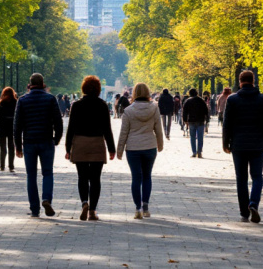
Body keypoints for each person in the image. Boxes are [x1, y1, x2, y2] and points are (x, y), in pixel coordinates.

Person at [222, 70, 263, 223]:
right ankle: (253, 203)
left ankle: (244, 212)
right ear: (253, 81)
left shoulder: (232, 99)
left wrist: (226, 143)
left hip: (238, 144)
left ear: (240, 82)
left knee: (241, 178)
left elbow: (227, 124)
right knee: (257, 176)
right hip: (258, 144)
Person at [65, 76, 116, 221]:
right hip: (97, 143)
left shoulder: (76, 105)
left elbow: (71, 128)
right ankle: (92, 211)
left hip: (80, 143)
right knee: (95, 179)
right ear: (98, 89)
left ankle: (84, 203)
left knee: (82, 177)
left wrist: (68, 148)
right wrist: (111, 149)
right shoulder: (102, 105)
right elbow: (107, 129)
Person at [14, 73, 63, 218]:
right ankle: (46, 198)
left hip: (29, 142)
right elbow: (58, 122)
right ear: (43, 84)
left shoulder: (22, 100)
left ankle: (35, 209)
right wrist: (56, 139)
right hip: (46, 141)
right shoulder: (50, 99)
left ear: (29, 85)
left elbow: (17, 126)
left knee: (31, 175)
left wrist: (18, 146)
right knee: (47, 173)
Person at [117, 82, 164, 219]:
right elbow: (158, 129)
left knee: (136, 178)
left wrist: (119, 150)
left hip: (133, 148)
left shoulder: (128, 111)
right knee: (147, 176)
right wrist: (160, 145)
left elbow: (124, 132)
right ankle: (146, 206)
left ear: (135, 93)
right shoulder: (154, 108)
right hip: (150, 146)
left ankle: (137, 208)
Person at [0, 87, 18, 172]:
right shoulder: (16, 102)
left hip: (2, 127)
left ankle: (2, 165)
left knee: (3, 147)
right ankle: (11, 166)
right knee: (11, 147)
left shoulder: (1, 103)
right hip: (11, 127)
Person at [183, 88, 209, 158]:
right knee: (200, 137)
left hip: (191, 121)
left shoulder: (188, 101)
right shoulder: (201, 100)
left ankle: (194, 152)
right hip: (200, 120)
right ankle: (199, 152)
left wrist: (185, 120)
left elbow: (185, 111)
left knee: (192, 137)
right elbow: (206, 110)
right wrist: (207, 119)